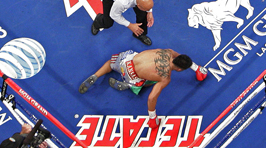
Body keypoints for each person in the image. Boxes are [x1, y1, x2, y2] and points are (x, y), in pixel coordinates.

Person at [79, 48, 208, 125]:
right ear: (179, 70)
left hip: (127, 60)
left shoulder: (167, 52)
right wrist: (152, 117)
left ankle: (95, 76)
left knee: (110, 64)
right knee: (150, 82)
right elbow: (152, 98)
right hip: (132, 76)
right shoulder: (165, 78)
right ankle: (129, 85)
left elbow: (178, 55)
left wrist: (196, 67)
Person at [90, 0, 155, 45]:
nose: (148, 10)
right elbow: (114, 15)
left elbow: (148, 2)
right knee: (108, 22)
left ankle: (140, 34)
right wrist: (130, 25)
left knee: (143, 15)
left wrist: (149, 12)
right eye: (147, 9)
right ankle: (97, 22)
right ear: (138, 5)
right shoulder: (123, 1)